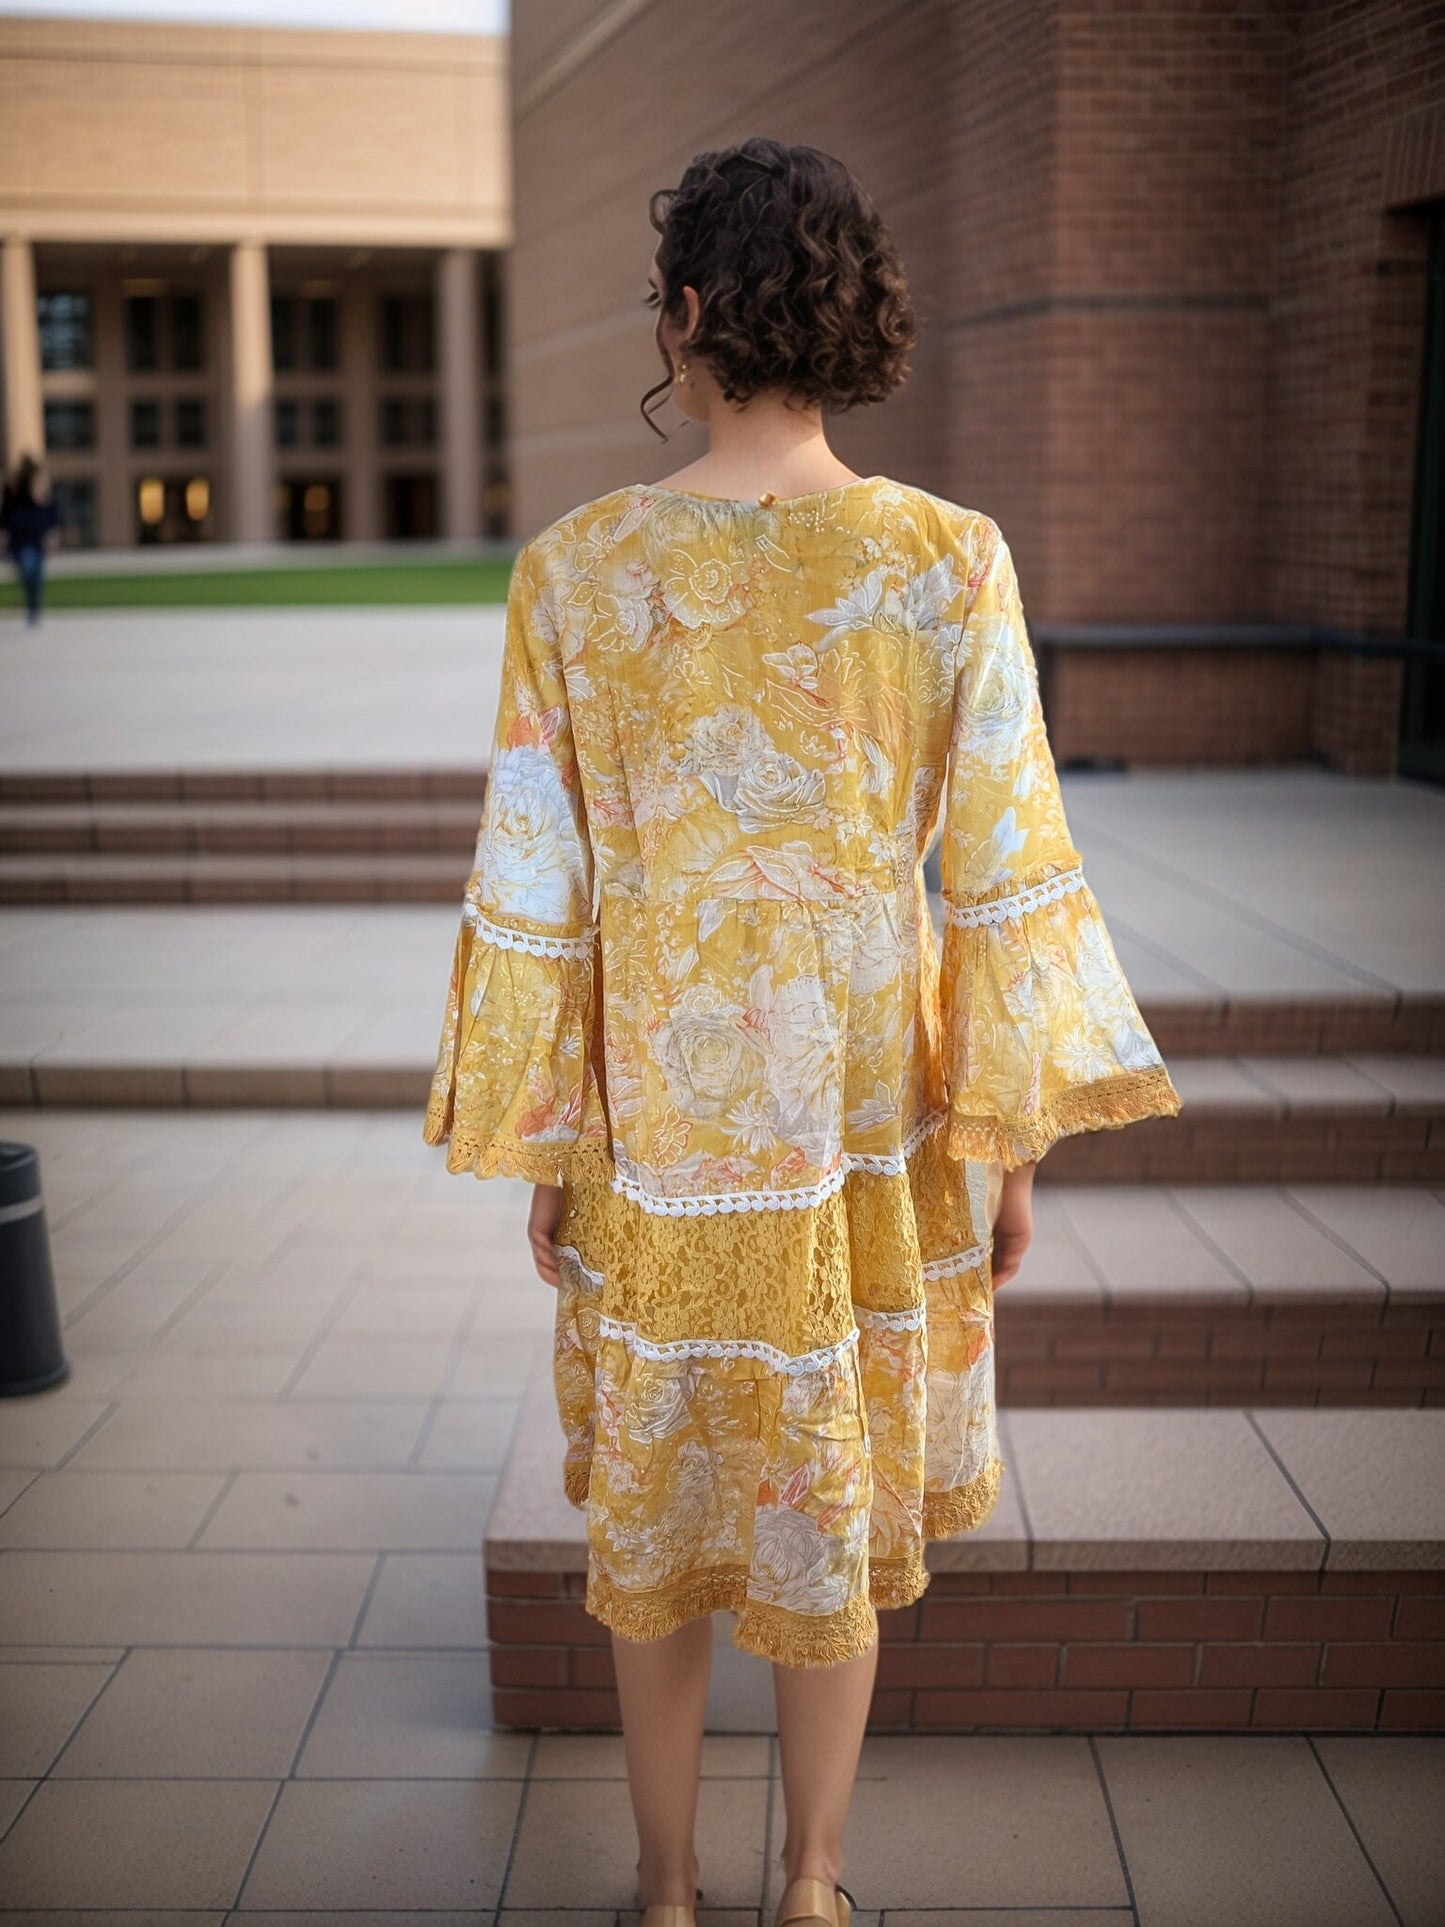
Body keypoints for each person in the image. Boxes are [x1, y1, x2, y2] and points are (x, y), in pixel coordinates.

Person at [423, 137, 1183, 1927]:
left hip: (662, 1140)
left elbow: (537, 881)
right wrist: (1001, 1141)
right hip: (865, 1127)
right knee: (825, 1501)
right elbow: (1010, 872)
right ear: (846, 315)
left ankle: (671, 1890)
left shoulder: (577, 571)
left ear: (684, 312)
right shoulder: (949, 561)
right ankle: (816, 1888)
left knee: (668, 1522)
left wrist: (548, 1137)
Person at [0, 453, 61, 626]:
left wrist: (53, 535)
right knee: (28, 571)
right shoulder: (14, 491)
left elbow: (51, 514)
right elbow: (5, 515)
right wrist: (3, 538)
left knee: (37, 575)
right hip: (21, 540)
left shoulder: (42, 491)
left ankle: (34, 607)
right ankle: (32, 606)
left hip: (37, 539)